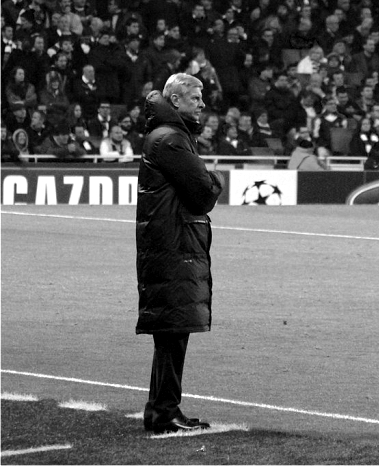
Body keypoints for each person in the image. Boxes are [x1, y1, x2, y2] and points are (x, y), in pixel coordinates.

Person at [136, 73, 225, 435]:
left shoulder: (166, 136)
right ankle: (164, 412)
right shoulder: (172, 140)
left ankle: (160, 409)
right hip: (174, 248)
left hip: (168, 245)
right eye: (195, 98)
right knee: (172, 332)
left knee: (171, 333)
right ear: (175, 101)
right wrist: (216, 178)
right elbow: (203, 194)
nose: (202, 104)